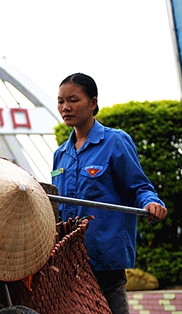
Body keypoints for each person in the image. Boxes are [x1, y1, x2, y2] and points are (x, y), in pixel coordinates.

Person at [51, 73, 167, 314]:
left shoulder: (115, 141)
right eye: (61, 101)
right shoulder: (60, 154)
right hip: (68, 260)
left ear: (93, 103)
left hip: (104, 256)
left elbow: (140, 187)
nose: (66, 107)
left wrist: (152, 203)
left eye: (73, 100)